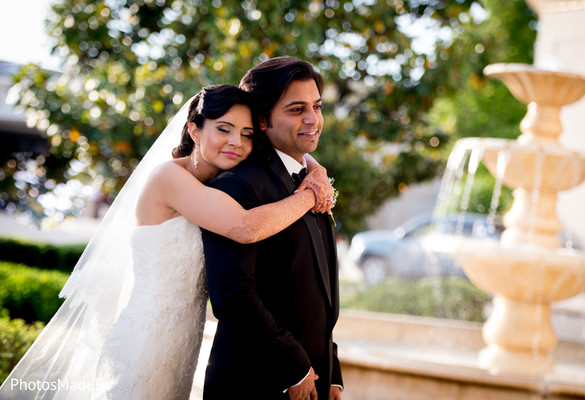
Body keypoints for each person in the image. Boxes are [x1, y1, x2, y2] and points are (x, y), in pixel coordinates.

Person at [0, 84, 334, 400]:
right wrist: (311, 194)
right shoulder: (168, 177)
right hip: (147, 338)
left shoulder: (220, 181)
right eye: (223, 129)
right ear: (194, 130)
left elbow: (290, 158)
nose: (236, 142)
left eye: (247, 134)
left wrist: (315, 169)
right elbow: (245, 228)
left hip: (183, 342)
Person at [202, 57, 343, 400]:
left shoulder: (313, 183)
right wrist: (292, 368)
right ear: (262, 119)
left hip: (314, 380)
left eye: (317, 106)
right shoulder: (238, 186)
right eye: (297, 109)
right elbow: (233, 294)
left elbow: (316, 289)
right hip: (257, 382)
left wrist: (332, 373)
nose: (312, 119)